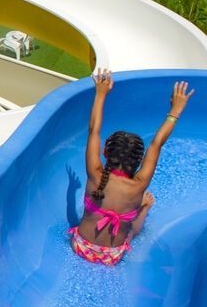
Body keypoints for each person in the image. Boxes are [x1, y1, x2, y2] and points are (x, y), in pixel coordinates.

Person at [69, 70, 192, 265]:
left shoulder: (95, 175)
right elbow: (156, 144)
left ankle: (139, 209)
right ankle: (142, 210)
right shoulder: (139, 184)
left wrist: (100, 94)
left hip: (80, 247)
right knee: (133, 227)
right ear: (139, 161)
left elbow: (94, 130)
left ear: (105, 153)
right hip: (113, 256)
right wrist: (175, 111)